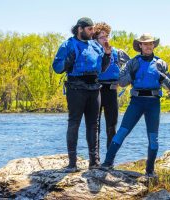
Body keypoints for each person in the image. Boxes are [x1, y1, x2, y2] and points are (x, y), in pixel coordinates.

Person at [100, 33, 170, 178]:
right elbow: (121, 82)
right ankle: (107, 163)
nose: (148, 46)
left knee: (153, 138)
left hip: (153, 102)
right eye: (145, 44)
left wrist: (162, 77)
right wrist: (132, 75)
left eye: (151, 43)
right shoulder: (132, 63)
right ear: (140, 45)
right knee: (122, 132)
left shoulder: (161, 63)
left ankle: (150, 171)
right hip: (136, 102)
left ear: (154, 45)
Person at [52, 17, 111, 172]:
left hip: (94, 89)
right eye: (90, 29)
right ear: (80, 29)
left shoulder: (95, 45)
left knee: (93, 125)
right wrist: (67, 62)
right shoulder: (68, 44)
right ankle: (72, 163)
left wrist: (107, 55)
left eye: (93, 29)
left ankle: (94, 162)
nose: (93, 32)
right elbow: (57, 68)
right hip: (76, 89)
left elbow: (103, 69)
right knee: (74, 123)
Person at [93, 22, 130, 149]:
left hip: (111, 91)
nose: (105, 39)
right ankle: (95, 160)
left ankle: (110, 159)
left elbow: (131, 67)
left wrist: (124, 81)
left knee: (111, 127)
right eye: (102, 37)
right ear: (95, 39)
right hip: (95, 92)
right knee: (94, 127)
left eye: (107, 36)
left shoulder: (118, 53)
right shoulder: (91, 53)